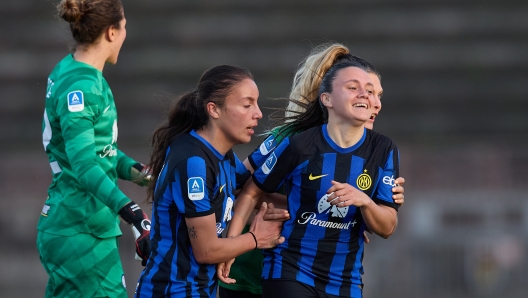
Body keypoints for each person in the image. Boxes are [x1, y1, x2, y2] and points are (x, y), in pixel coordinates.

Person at [218, 43, 405, 298]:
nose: (372, 101)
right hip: (254, 269)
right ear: (326, 96)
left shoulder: (378, 152)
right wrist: (297, 207)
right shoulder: (291, 138)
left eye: (376, 93)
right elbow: (239, 185)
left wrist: (368, 208)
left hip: (328, 275)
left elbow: (376, 220)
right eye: (355, 88)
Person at [134, 65, 286, 298]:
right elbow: (206, 250)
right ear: (214, 109)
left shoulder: (221, 154)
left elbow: (249, 189)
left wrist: (296, 209)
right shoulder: (193, 163)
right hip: (171, 291)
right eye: (247, 105)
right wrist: (256, 238)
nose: (258, 113)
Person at [37, 0, 152, 297]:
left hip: (78, 227)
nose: (125, 33)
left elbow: (103, 153)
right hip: (81, 230)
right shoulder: (82, 86)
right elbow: (85, 165)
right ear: (111, 32)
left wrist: (144, 174)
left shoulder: (73, 70)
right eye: (124, 26)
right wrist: (134, 213)